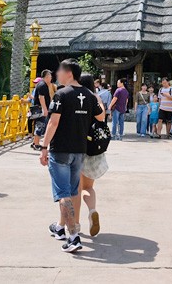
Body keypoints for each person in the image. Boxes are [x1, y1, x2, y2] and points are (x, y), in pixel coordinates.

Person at [40, 59, 103, 254]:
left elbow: (53, 122)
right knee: (73, 191)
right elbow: (101, 117)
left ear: (68, 73)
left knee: (63, 194)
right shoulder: (89, 95)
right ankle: (61, 227)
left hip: (61, 151)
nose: (57, 74)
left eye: (59, 71)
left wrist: (43, 146)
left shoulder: (61, 94)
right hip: (79, 151)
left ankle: (74, 236)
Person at [78, 73, 109, 238]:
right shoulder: (96, 98)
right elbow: (102, 117)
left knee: (74, 188)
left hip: (75, 145)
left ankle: (69, 224)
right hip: (93, 146)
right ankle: (92, 211)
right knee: (88, 187)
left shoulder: (75, 96)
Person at [31, 71, 53, 150]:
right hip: (41, 109)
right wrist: (45, 109)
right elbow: (41, 97)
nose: (51, 78)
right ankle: (36, 144)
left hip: (40, 108)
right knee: (40, 125)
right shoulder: (42, 85)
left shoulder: (42, 84)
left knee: (39, 125)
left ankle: (35, 142)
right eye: (50, 76)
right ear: (46, 76)